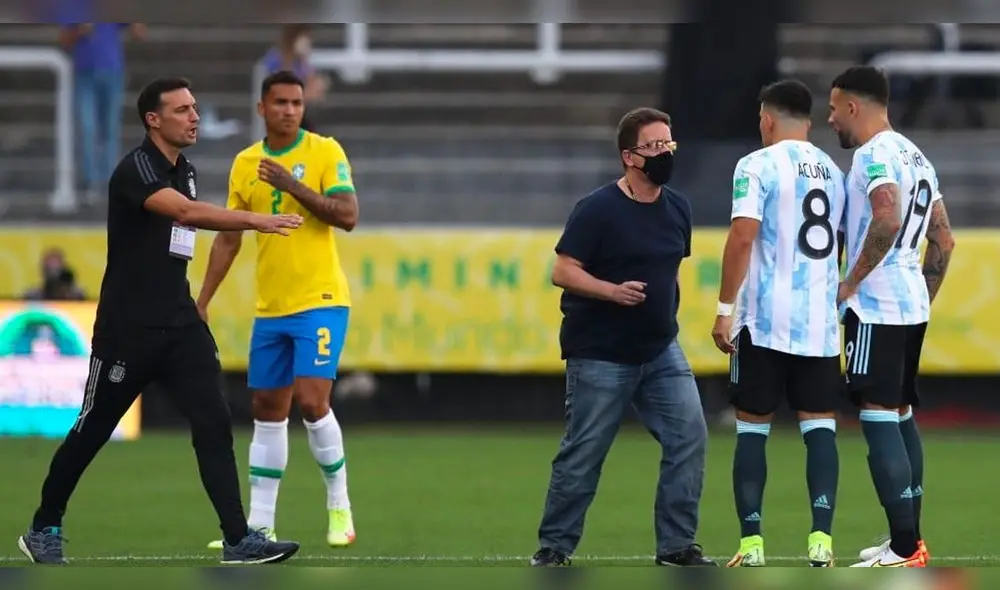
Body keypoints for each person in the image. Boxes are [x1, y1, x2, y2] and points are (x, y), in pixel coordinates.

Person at [18, 77, 304, 566]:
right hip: (128, 329)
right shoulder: (137, 170)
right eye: (182, 110)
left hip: (180, 322)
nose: (194, 117)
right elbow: (186, 213)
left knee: (213, 422)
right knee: (92, 429)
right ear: (154, 120)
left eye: (194, 108)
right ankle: (43, 527)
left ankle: (239, 539)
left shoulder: (185, 168)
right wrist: (255, 220)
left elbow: (182, 226)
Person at [530, 107, 715, 568]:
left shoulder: (678, 207)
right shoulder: (597, 209)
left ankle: (676, 546)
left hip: (659, 349)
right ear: (629, 157)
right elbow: (562, 270)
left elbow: (670, 271)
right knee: (584, 452)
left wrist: (662, 315)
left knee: (689, 436)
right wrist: (611, 292)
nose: (665, 153)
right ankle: (554, 548)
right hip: (600, 354)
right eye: (655, 146)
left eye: (669, 143)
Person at [197, 70, 359, 550]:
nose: (290, 110)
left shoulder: (325, 151)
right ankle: (260, 525)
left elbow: (348, 216)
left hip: (321, 300)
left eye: (296, 102)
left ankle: (339, 505)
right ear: (261, 109)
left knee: (312, 400)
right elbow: (229, 237)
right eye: (280, 102)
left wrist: (294, 185)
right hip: (272, 308)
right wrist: (202, 300)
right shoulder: (245, 162)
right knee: (267, 411)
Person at [710, 80, 846, 568]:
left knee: (752, 429)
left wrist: (725, 309)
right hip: (818, 324)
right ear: (807, 120)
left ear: (767, 118)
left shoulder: (756, 164)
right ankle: (821, 542)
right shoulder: (833, 171)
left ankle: (751, 545)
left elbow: (743, 236)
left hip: (765, 320)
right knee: (820, 429)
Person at [828, 65, 955, 568]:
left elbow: (886, 216)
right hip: (909, 301)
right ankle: (910, 540)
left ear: (853, 106)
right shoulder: (915, 154)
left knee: (879, 416)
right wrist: (920, 297)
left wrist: (851, 281)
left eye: (834, 109)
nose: (831, 118)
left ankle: (905, 548)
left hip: (876, 301)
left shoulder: (873, 155)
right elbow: (943, 239)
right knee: (901, 414)